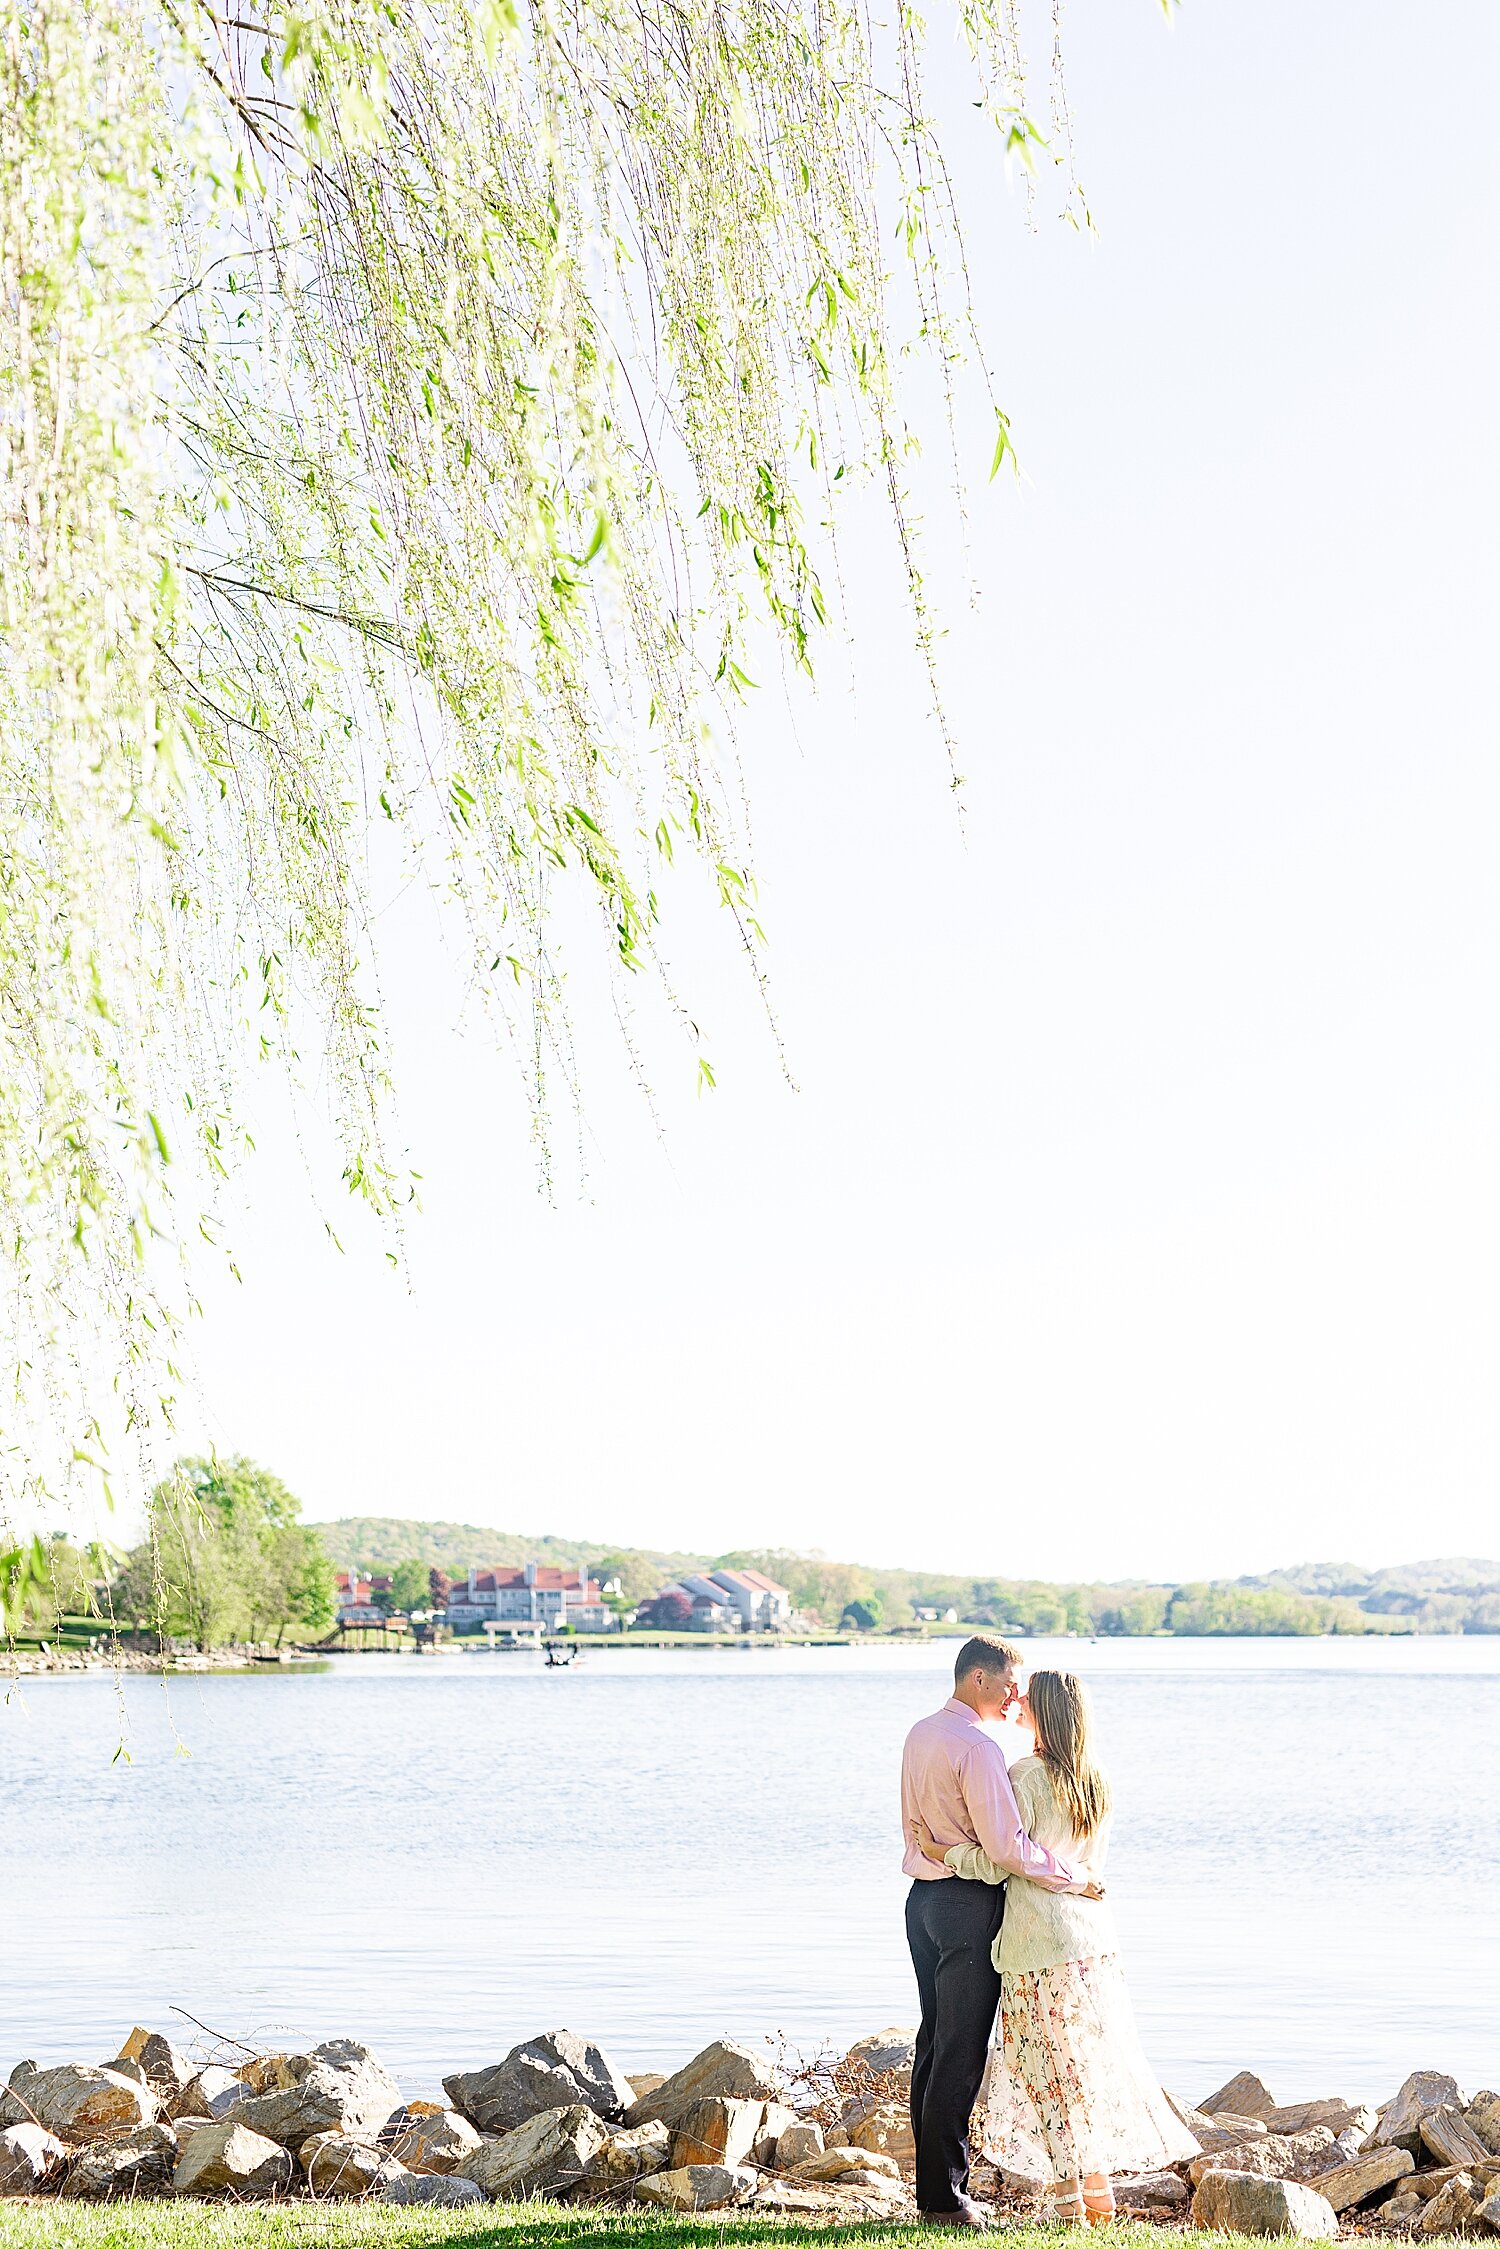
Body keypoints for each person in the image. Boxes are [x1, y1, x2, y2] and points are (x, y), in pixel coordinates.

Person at [912, 1667, 1196, 2225]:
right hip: (1093, 1940)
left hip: (1038, 1944)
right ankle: (1099, 2199)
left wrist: (943, 1852)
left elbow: (1001, 1861)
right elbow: (1090, 1866)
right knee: (1082, 2069)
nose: (1014, 1700)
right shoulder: (1097, 1780)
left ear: (1041, 1710)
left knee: (1049, 2072)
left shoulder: (1024, 1776)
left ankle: (1069, 2207)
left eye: (1025, 1695)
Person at [901, 1636, 1103, 2229]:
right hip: (969, 1905)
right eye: (1010, 1682)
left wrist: (936, 1849)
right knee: (959, 2055)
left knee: (933, 2044)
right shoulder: (980, 1749)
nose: (1017, 1694)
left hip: (923, 1904)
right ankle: (945, 2200)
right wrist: (1076, 1877)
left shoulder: (920, 1732)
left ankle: (934, 2191)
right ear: (979, 1679)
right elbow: (1008, 1849)